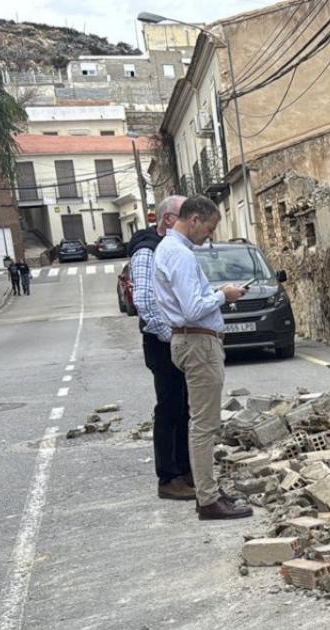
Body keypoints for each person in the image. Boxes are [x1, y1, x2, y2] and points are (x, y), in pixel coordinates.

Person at [153, 196, 251, 520]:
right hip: (198, 344)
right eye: (208, 229)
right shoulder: (179, 254)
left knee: (202, 422)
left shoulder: (171, 250)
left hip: (190, 342)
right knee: (204, 425)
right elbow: (193, 309)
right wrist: (224, 295)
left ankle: (208, 490)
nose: (208, 236)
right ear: (193, 219)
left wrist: (217, 292)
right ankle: (207, 499)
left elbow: (191, 301)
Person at [130, 196, 194, 501]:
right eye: (186, 215)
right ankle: (168, 478)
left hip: (178, 339)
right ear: (169, 220)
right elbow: (144, 302)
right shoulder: (146, 252)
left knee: (184, 407)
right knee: (169, 408)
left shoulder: (173, 248)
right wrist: (173, 337)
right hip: (162, 342)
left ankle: (185, 470)